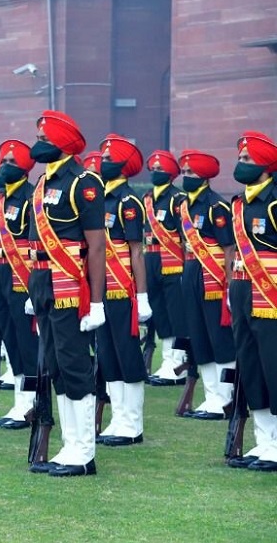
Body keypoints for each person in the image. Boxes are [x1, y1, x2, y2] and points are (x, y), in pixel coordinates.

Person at [25, 111, 107, 477]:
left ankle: (85, 452)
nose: (38, 144)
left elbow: (97, 247)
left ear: (61, 143)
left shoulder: (83, 183)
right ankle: (69, 443)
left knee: (74, 364)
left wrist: (99, 302)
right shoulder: (41, 184)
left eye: (44, 138)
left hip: (70, 287)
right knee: (55, 365)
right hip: (43, 283)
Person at [94, 134, 152, 446]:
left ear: (122, 166)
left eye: (107, 159)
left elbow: (136, 252)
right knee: (107, 356)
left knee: (127, 355)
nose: (101, 163)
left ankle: (133, 423)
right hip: (100, 292)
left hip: (123, 291)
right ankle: (118, 418)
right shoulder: (99, 198)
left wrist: (141, 297)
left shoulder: (128, 202)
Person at [226, 131, 277, 472]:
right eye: (240, 158)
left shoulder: (273, 202)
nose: (240, 164)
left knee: (273, 367)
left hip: (271, 295)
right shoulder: (238, 202)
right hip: (244, 291)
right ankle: (265, 442)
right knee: (251, 366)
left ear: (264, 164)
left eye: (246, 160)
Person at [178, 149, 237, 419]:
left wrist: (229, 286)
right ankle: (211, 396)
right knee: (200, 338)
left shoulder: (217, 207)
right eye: (185, 172)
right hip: (191, 272)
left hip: (213, 277)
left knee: (219, 338)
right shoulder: (185, 206)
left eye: (190, 173)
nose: (185, 176)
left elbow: (228, 249)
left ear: (203, 176)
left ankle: (225, 397)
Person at [0, 139, 38, 429]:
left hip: (23, 277)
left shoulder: (31, 198)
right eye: (2, 161)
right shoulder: (1, 198)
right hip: (0, 274)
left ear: (22, 169)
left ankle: (31, 402)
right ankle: (20, 400)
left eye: (9, 163)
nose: (2, 166)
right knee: (9, 336)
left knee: (26, 339)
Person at [142, 149, 188, 386]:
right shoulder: (148, 199)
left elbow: (186, 236)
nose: (155, 173)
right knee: (160, 313)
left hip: (173, 264)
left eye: (161, 169)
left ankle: (178, 361)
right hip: (151, 260)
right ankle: (167, 359)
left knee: (176, 314)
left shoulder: (178, 200)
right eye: (154, 169)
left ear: (170, 174)